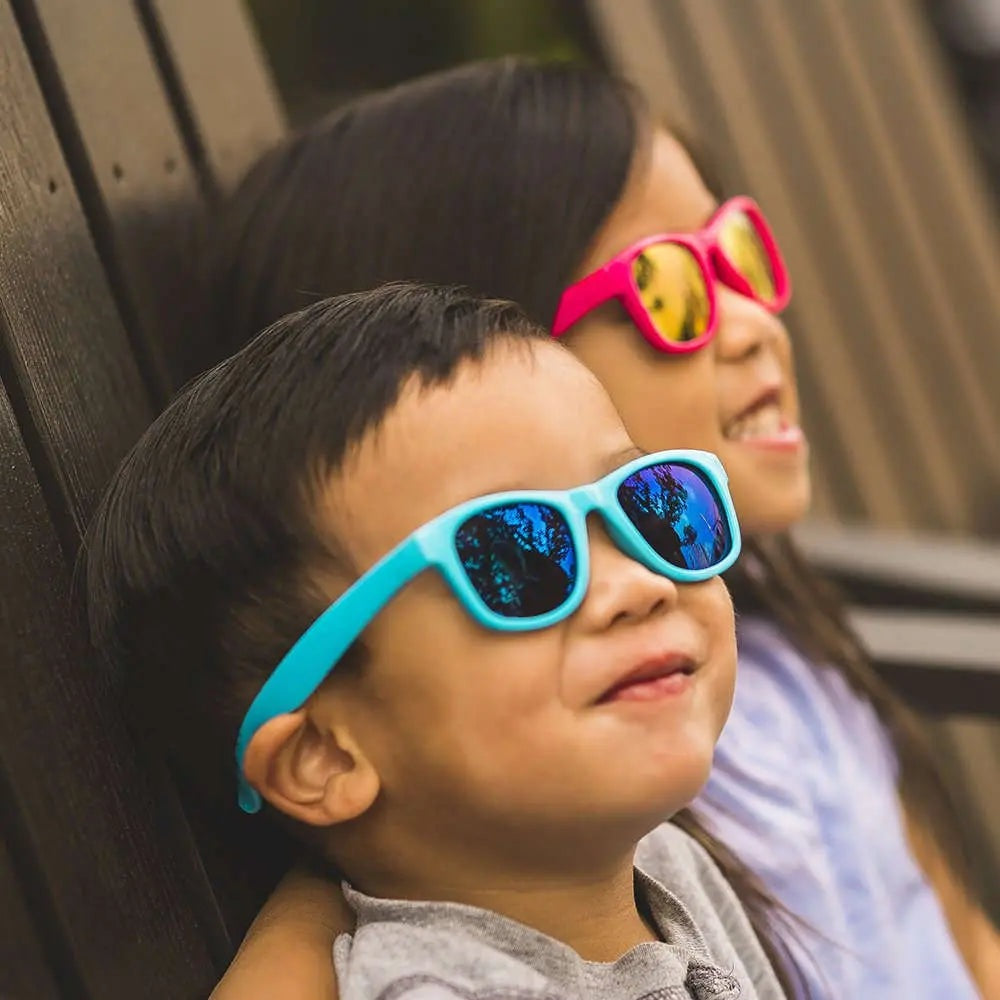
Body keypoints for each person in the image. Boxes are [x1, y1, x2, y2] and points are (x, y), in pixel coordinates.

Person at [203, 58, 1000, 999]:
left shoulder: (766, 654)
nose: (754, 322)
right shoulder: (608, 751)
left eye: (738, 257)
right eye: (669, 289)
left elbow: (963, 943)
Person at [85, 283, 796, 1000]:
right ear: (325, 754)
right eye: (515, 557)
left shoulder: (669, 863)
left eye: (652, 505)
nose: (640, 585)